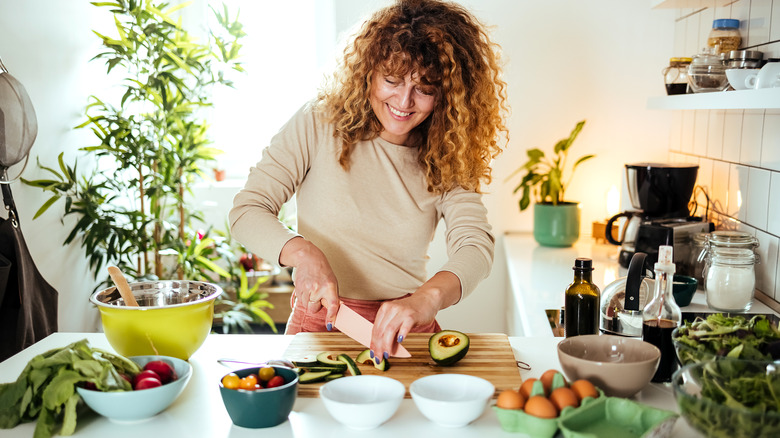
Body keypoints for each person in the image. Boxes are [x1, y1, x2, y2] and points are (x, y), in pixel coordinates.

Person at [229, 0, 508, 363]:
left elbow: (475, 245)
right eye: (391, 80)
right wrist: (305, 254)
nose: (403, 102)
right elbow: (247, 211)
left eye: (424, 88)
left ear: (447, 93)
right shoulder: (318, 123)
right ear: (368, 72)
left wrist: (426, 299)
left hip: (407, 331)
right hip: (321, 325)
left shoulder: (447, 153)